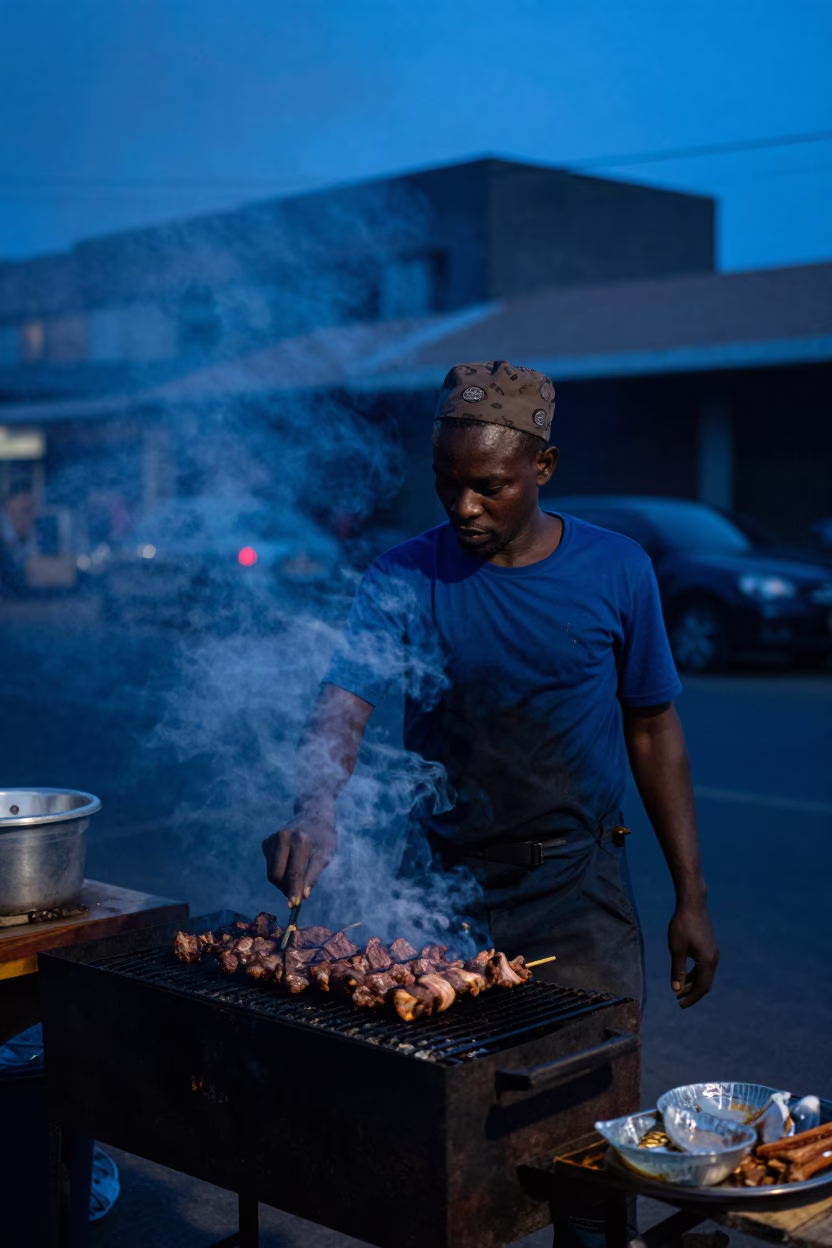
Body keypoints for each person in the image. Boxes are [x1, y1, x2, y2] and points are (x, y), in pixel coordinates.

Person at [264, 358, 719, 1244]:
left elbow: (654, 732)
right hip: (439, 894)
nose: (463, 508)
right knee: (437, 1152)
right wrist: (314, 807)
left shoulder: (618, 571)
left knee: (587, 1146)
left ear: (542, 470)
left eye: (489, 487)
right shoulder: (402, 575)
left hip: (577, 895)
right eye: (447, 484)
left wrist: (690, 898)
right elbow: (343, 708)